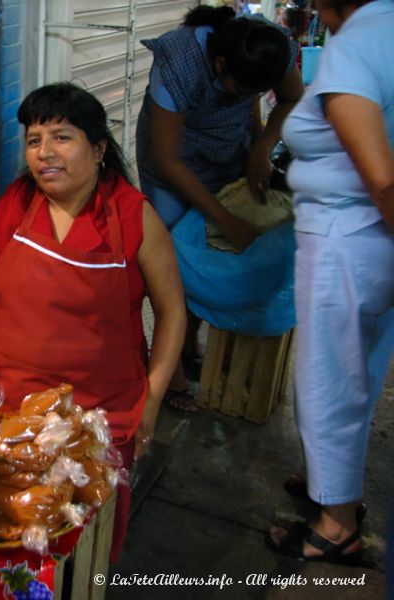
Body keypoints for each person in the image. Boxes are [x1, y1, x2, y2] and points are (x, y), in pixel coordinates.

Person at [0, 82, 186, 561]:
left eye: (61, 137)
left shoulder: (134, 217)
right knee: (0, 527)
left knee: (80, 538)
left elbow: (173, 311)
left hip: (99, 414)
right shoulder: (13, 206)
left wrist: (152, 396)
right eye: (34, 140)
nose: (44, 153)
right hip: (5, 399)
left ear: (97, 149)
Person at [266, 0, 394, 564]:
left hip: (347, 237)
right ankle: (335, 485)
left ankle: (337, 524)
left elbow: (382, 181)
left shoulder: (354, 47)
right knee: (359, 373)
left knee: (328, 381)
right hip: (373, 242)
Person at [135, 6, 304, 411]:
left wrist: (261, 146)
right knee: (174, 266)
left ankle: (189, 344)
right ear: (220, 63)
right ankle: (169, 370)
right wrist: (223, 217)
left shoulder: (269, 47)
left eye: (252, 94)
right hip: (175, 163)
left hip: (232, 152)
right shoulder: (177, 63)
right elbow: (167, 159)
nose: (244, 99)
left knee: (207, 259)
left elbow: (292, 97)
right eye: (237, 89)